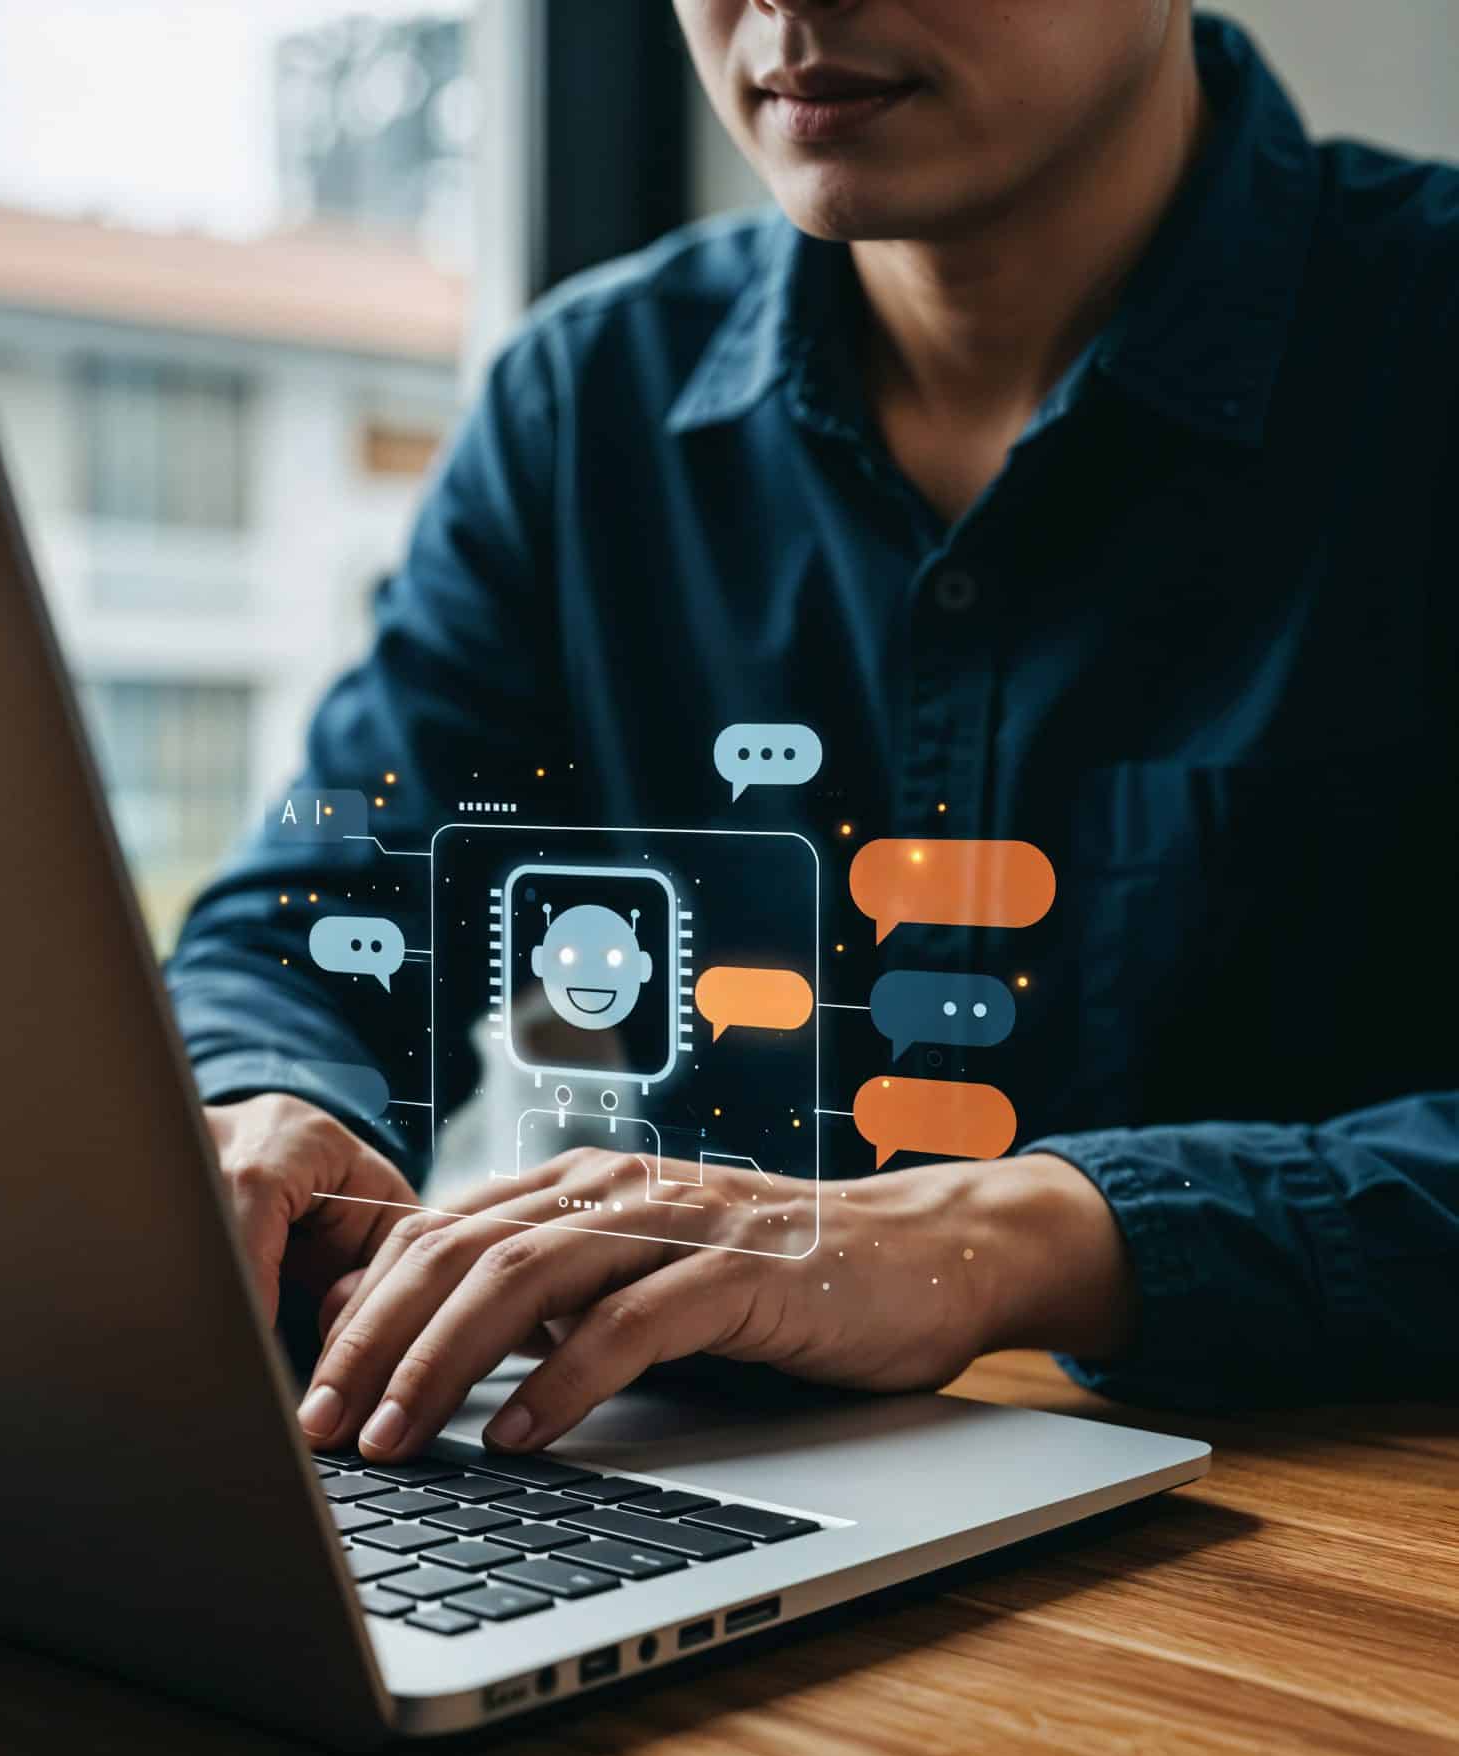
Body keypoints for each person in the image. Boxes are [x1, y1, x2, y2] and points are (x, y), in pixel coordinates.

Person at [172, 3, 1459, 1467]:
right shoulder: (589, 401)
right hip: (702, 1486)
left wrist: (1013, 1237)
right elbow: (316, 926)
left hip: (1338, 1564)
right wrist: (262, 1111)